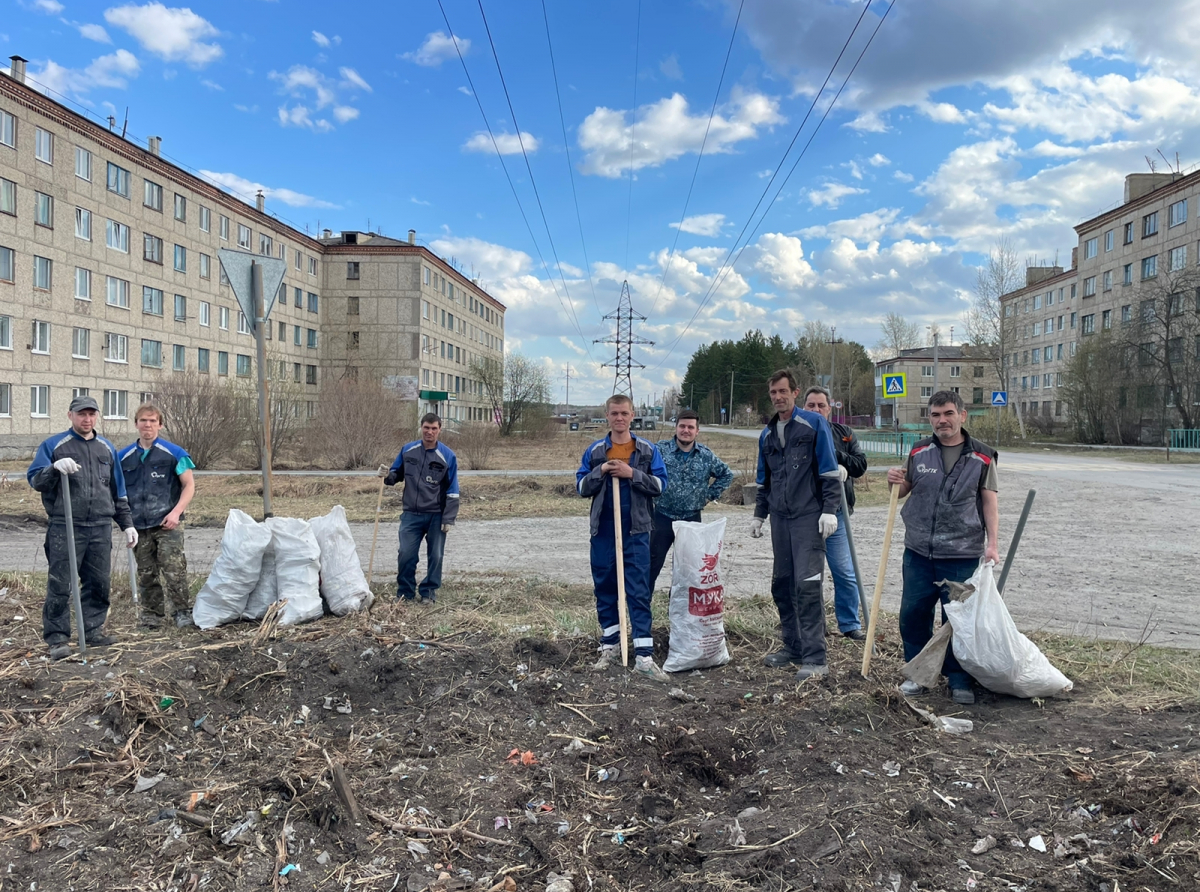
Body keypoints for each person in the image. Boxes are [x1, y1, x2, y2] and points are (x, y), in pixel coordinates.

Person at [885, 391, 1000, 706]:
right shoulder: (920, 450)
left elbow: (990, 502)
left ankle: (959, 679)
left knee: (957, 621)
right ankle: (918, 674)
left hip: (961, 553)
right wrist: (895, 479)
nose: (941, 420)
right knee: (913, 614)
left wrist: (992, 545)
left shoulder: (983, 456)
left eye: (948, 413)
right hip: (918, 551)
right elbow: (906, 487)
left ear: (962, 415)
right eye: (935, 415)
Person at [26, 395, 138, 660]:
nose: (86, 419)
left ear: (96, 416)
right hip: (66, 526)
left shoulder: (107, 448)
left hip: (99, 526)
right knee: (61, 584)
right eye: (81, 414)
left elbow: (117, 490)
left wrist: (127, 525)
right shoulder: (54, 445)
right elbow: (35, 479)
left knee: (98, 583)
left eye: (91, 414)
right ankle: (57, 639)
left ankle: (93, 630)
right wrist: (54, 468)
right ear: (70, 416)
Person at [751, 371, 842, 680]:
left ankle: (816, 658)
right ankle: (793, 647)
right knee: (782, 584)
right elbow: (765, 480)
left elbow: (829, 471)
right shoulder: (767, 433)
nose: (778, 397)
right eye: (773, 392)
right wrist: (759, 514)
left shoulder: (813, 424)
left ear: (794, 392)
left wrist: (829, 510)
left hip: (808, 518)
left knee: (807, 585)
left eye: (783, 391)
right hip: (780, 519)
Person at [577, 394, 669, 681]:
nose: (619, 418)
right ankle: (611, 646)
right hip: (604, 531)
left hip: (637, 531)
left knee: (638, 591)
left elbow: (660, 485)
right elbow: (581, 486)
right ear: (607, 415)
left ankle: (643, 655)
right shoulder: (595, 452)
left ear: (632, 415)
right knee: (605, 588)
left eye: (624, 413)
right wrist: (601, 470)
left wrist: (632, 474)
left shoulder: (646, 451)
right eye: (614, 413)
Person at [118, 403, 196, 629]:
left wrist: (176, 513)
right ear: (136, 424)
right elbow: (116, 489)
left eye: (153, 421)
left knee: (173, 569)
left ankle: (182, 612)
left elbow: (189, 485)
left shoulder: (175, 454)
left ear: (160, 425)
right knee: (146, 572)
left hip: (167, 523)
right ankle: (152, 616)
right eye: (143, 420)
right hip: (138, 525)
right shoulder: (123, 457)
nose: (148, 425)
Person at [801, 386, 869, 641]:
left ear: (830, 408)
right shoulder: (796, 433)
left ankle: (850, 624)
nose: (816, 410)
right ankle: (811, 626)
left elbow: (860, 464)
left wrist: (839, 460)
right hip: (806, 515)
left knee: (845, 572)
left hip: (837, 515)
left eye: (821, 406)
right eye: (811, 406)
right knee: (808, 575)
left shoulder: (845, 434)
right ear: (803, 407)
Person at [379, 413, 460, 603]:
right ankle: (405, 593)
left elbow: (453, 488)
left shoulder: (448, 456)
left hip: (436, 515)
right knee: (406, 553)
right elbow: (395, 474)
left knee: (436, 555)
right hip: (411, 514)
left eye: (433, 428)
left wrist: (449, 518)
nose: (429, 432)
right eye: (426, 427)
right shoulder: (408, 450)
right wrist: (386, 475)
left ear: (439, 429)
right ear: (421, 427)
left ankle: (429, 592)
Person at [649, 410, 734, 590]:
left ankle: (679, 613)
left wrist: (708, 496)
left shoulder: (705, 455)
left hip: (691, 521)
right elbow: (644, 473)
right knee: (650, 566)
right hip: (662, 517)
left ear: (697, 431)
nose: (685, 430)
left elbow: (726, 474)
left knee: (686, 571)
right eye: (682, 426)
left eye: (690, 427)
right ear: (676, 427)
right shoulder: (659, 450)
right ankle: (641, 611)